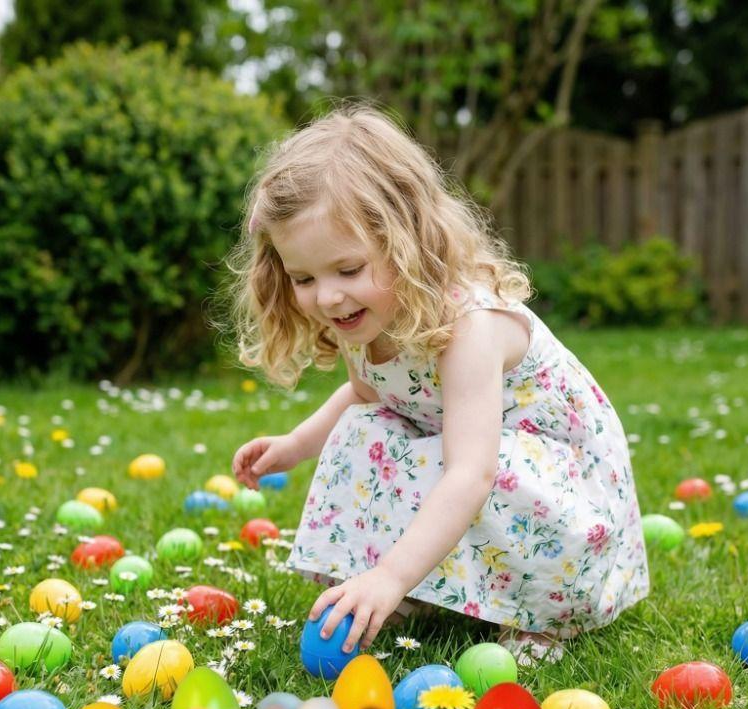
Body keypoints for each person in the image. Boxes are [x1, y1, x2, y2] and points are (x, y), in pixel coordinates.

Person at [228, 104, 648, 666]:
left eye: (348, 270)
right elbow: (365, 394)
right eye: (304, 278)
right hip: (480, 466)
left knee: (480, 465)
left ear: (406, 241)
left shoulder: (469, 325)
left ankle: (544, 615)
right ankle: (417, 592)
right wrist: (295, 445)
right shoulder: (366, 317)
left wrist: (390, 574)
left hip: (560, 491)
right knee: (365, 430)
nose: (327, 297)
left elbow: (473, 473)